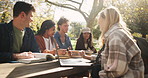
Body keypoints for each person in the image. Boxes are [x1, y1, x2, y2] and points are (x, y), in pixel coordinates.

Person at [97, 6, 144, 78]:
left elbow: (117, 70)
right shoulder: (119, 32)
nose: (100, 27)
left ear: (106, 21)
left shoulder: (115, 37)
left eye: (100, 23)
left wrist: (101, 74)